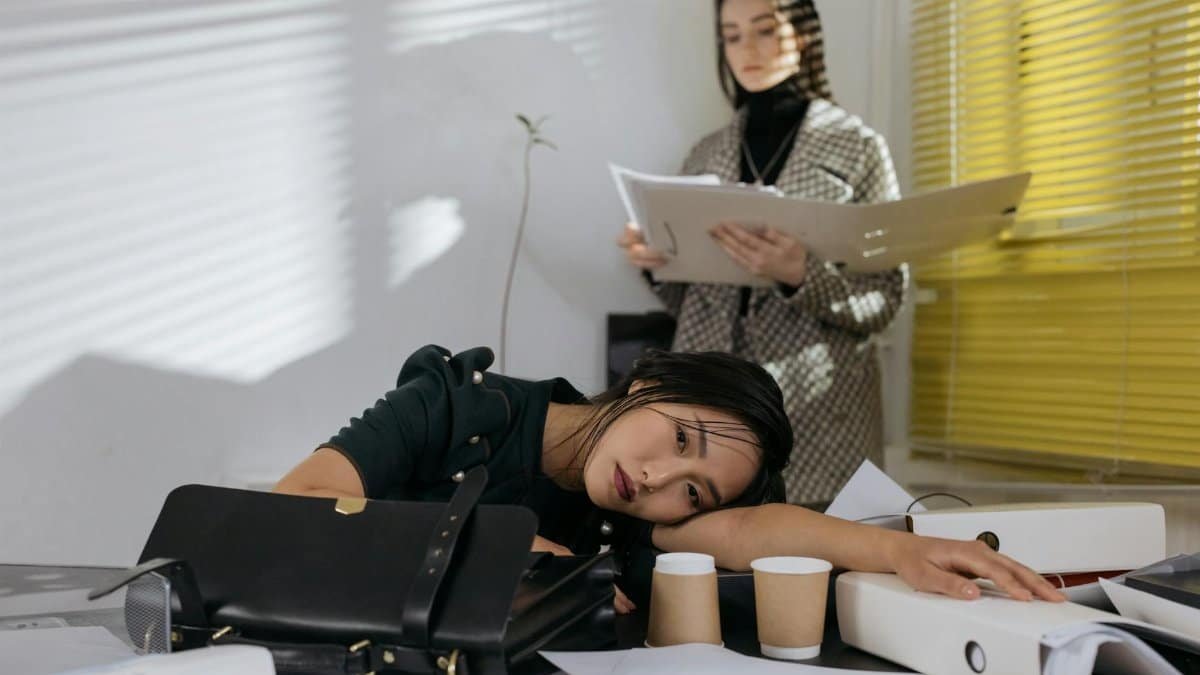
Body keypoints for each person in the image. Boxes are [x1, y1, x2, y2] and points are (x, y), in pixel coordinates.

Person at [275, 344, 1065, 615]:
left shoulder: (625, 516)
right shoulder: (451, 403)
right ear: (648, 380)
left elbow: (751, 528)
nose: (656, 479)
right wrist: (495, 548)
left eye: (693, 489)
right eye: (681, 437)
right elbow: (293, 507)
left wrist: (896, 554)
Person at [619, 0, 905, 505]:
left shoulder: (857, 148)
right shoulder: (705, 155)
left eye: (765, 30)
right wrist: (658, 265)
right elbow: (690, 306)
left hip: (817, 405)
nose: (746, 49)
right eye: (731, 36)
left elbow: (883, 299)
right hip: (706, 402)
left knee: (816, 564)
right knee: (706, 558)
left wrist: (799, 274)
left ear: (804, 34)